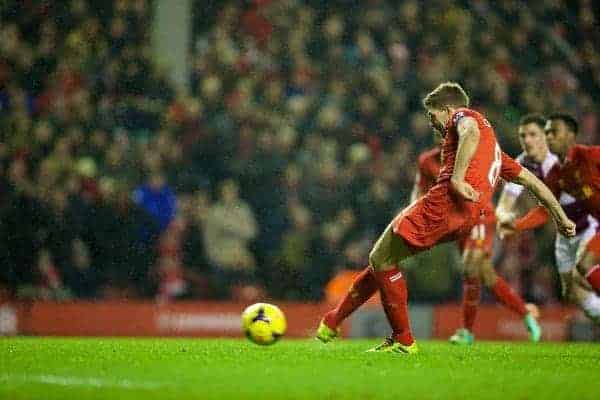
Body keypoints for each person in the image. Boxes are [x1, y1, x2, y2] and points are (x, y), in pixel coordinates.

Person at [316, 82, 576, 354]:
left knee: (380, 258)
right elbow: (533, 182)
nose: (431, 123)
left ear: (448, 108)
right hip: (465, 219)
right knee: (385, 260)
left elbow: (470, 132)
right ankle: (333, 321)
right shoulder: (497, 152)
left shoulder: (465, 117)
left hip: (444, 205)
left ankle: (403, 340)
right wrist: (560, 218)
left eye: (432, 115)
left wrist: (456, 177)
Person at [410, 136, 540, 346]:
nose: (443, 135)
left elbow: (495, 174)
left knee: (470, 266)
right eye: (438, 131)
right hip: (458, 223)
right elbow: (419, 194)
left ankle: (466, 331)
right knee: (485, 274)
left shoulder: (470, 154)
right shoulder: (427, 161)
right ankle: (525, 313)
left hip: (480, 216)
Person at [499, 113, 600, 322]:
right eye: (548, 133)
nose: (549, 137)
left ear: (571, 136)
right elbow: (545, 210)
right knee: (573, 287)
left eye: (553, 132)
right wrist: (517, 226)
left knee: (584, 266)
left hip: (589, 228)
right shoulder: (557, 173)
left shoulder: (588, 155)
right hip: (574, 234)